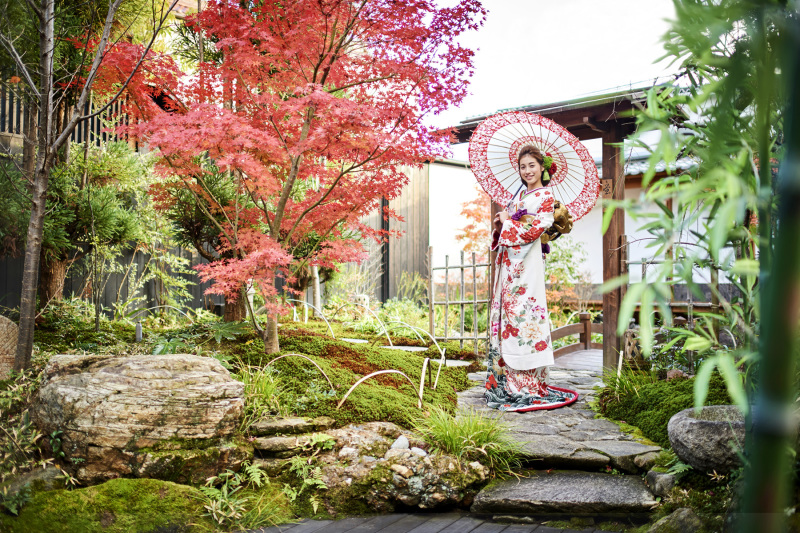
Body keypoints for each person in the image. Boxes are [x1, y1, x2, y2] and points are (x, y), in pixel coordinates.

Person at [485, 145, 577, 412]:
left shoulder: (545, 196)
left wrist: (511, 223)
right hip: (510, 263)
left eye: (532, 166)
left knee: (524, 315)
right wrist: (501, 224)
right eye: (523, 167)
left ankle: (528, 384)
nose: (527, 171)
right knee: (507, 314)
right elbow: (512, 229)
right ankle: (505, 381)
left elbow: (538, 226)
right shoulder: (520, 196)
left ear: (542, 168)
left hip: (528, 264)